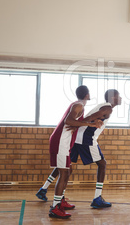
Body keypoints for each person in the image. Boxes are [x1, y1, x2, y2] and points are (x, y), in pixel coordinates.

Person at [46, 85, 103, 219]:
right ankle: (55, 207)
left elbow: (77, 121)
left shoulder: (77, 105)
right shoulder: (79, 106)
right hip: (60, 141)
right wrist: (90, 124)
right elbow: (69, 121)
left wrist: (92, 122)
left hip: (63, 141)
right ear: (87, 95)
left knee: (68, 170)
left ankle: (61, 201)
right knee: (64, 172)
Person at [70, 89, 121, 208]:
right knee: (102, 164)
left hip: (79, 136)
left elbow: (93, 117)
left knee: (66, 165)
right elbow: (90, 118)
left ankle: (44, 188)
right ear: (113, 97)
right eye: (118, 96)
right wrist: (79, 124)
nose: (121, 98)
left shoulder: (103, 106)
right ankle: (97, 198)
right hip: (86, 138)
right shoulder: (108, 108)